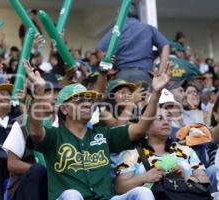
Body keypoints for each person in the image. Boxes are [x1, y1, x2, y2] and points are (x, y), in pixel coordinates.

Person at [25, 60, 171, 200]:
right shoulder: (54, 137)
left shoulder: (104, 134)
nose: (86, 104)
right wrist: (38, 95)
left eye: (89, 100)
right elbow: (36, 132)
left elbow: (140, 129)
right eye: (79, 101)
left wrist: (156, 94)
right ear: (64, 109)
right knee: (72, 195)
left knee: (142, 193)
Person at [112, 106, 210, 197]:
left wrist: (184, 177)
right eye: (159, 118)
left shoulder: (185, 150)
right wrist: (144, 177)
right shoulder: (132, 153)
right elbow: (119, 188)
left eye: (168, 118)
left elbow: (205, 181)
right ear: (145, 125)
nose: (166, 122)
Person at [96, 3, 169, 86]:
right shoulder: (148, 28)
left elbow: (99, 49)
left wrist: (109, 69)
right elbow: (165, 45)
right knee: (143, 99)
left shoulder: (117, 30)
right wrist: (161, 71)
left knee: (122, 98)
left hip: (121, 76)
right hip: (143, 75)